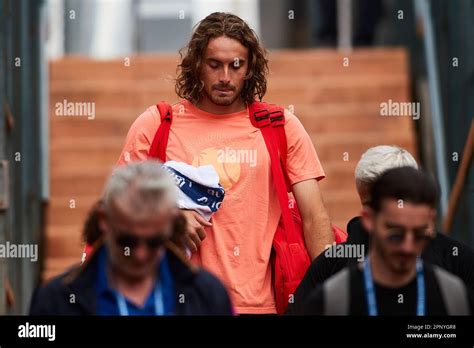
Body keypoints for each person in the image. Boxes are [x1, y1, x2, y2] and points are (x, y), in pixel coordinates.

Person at [117, 12, 333, 314]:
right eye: (214, 64)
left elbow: (314, 218)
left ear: (250, 67)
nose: (224, 78)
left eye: (236, 65)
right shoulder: (157, 125)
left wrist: (331, 291)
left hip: (260, 305)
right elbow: (117, 209)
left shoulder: (281, 126)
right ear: (196, 65)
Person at [287, 145, 474, 314]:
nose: (407, 246)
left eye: (418, 232)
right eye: (374, 206)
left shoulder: (456, 272)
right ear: (367, 215)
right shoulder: (331, 276)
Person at [30, 161, 233, 315]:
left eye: (154, 242)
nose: (141, 254)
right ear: (104, 220)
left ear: (172, 225)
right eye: (127, 241)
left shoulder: (208, 295)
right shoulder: (55, 300)